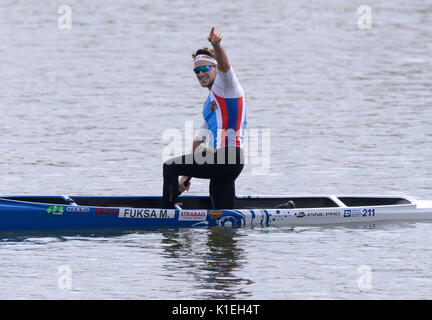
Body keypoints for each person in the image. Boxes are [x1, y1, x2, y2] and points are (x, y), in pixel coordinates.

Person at [162, 27, 247, 209]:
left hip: (230, 157)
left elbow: (224, 66)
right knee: (222, 218)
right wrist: (185, 179)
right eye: (196, 71)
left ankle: (165, 214)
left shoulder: (227, 86)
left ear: (214, 68)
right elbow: (197, 144)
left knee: (170, 166)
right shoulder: (210, 104)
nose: (200, 73)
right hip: (225, 165)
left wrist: (216, 45)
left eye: (204, 68)